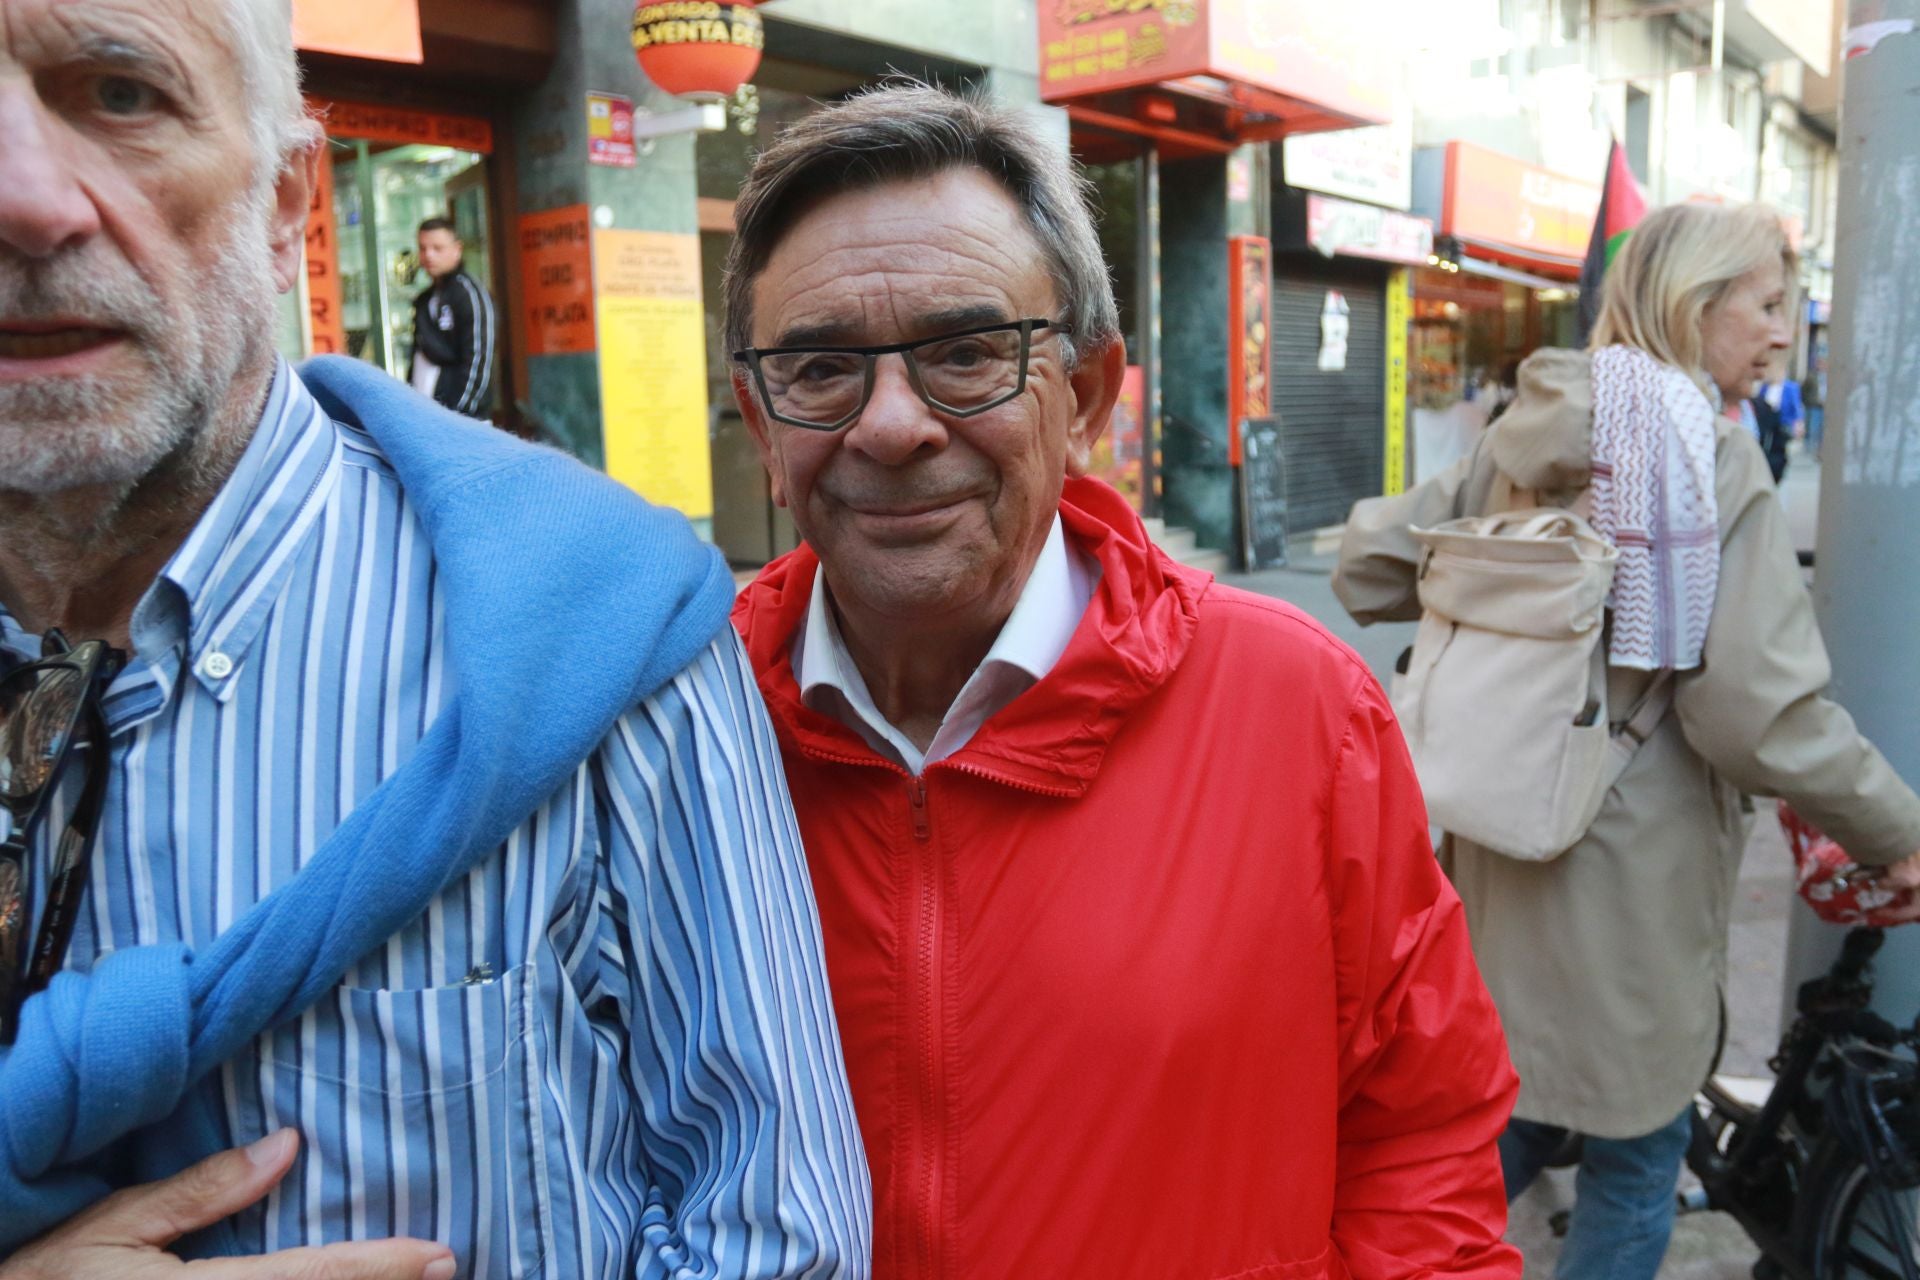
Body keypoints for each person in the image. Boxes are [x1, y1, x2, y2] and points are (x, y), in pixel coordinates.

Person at [0, 1, 869, 1276]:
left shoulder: (597, 627)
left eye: (120, 93)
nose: (24, 196)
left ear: (292, 197)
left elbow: (775, 1237)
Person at [725, 84, 1521, 1279]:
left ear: (1088, 396)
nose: (892, 425)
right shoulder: (677, 728)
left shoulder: (1295, 707)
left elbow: (1421, 1137)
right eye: (823, 368)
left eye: (966, 353)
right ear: (761, 421)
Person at [1335, 202, 1920, 1280]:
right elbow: (1754, 710)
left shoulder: (1525, 429)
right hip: (1631, 891)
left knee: (1483, 1125)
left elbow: (1366, 569)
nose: (1783, 332)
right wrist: (1897, 825)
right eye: (1770, 304)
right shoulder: (1709, 458)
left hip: (1497, 853)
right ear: (1699, 307)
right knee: (1636, 1159)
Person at [408, 217, 495, 419]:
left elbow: (478, 362)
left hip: (462, 423)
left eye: (437, 248)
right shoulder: (424, 299)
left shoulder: (469, 295)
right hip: (426, 416)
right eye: (423, 248)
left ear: (457, 249)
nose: (428, 255)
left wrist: (457, 417)